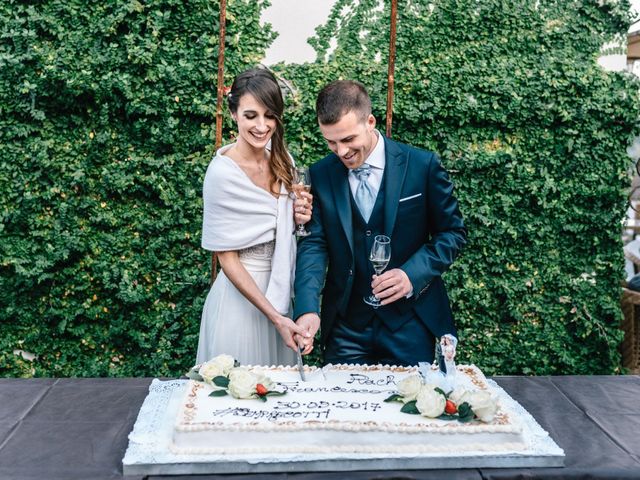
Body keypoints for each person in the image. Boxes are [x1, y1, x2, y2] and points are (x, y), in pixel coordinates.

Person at [293, 80, 466, 366]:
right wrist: (308, 309)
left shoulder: (421, 166)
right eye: (331, 141)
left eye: (348, 139)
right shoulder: (320, 174)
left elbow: (453, 233)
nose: (341, 151)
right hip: (346, 327)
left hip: (410, 322)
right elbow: (314, 243)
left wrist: (411, 275)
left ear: (370, 121)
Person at [196, 68, 312, 366]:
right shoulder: (221, 173)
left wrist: (299, 218)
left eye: (269, 115)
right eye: (251, 116)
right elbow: (227, 258)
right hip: (241, 303)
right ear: (234, 114)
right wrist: (274, 317)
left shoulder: (284, 160)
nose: (262, 126)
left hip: (281, 292)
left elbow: (285, 229)